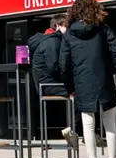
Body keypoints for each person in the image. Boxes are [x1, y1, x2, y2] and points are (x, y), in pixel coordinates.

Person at [60, 0, 116, 158]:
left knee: (88, 125)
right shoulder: (102, 28)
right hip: (104, 80)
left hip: (82, 82)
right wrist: (110, 69)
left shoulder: (69, 34)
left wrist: (69, 86)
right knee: (110, 123)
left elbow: (63, 63)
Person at [28, 13, 79, 148]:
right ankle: (77, 131)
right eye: (67, 26)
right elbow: (55, 67)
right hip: (48, 84)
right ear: (58, 26)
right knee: (81, 92)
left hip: (48, 83)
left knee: (80, 90)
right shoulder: (52, 41)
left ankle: (77, 131)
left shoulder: (52, 39)